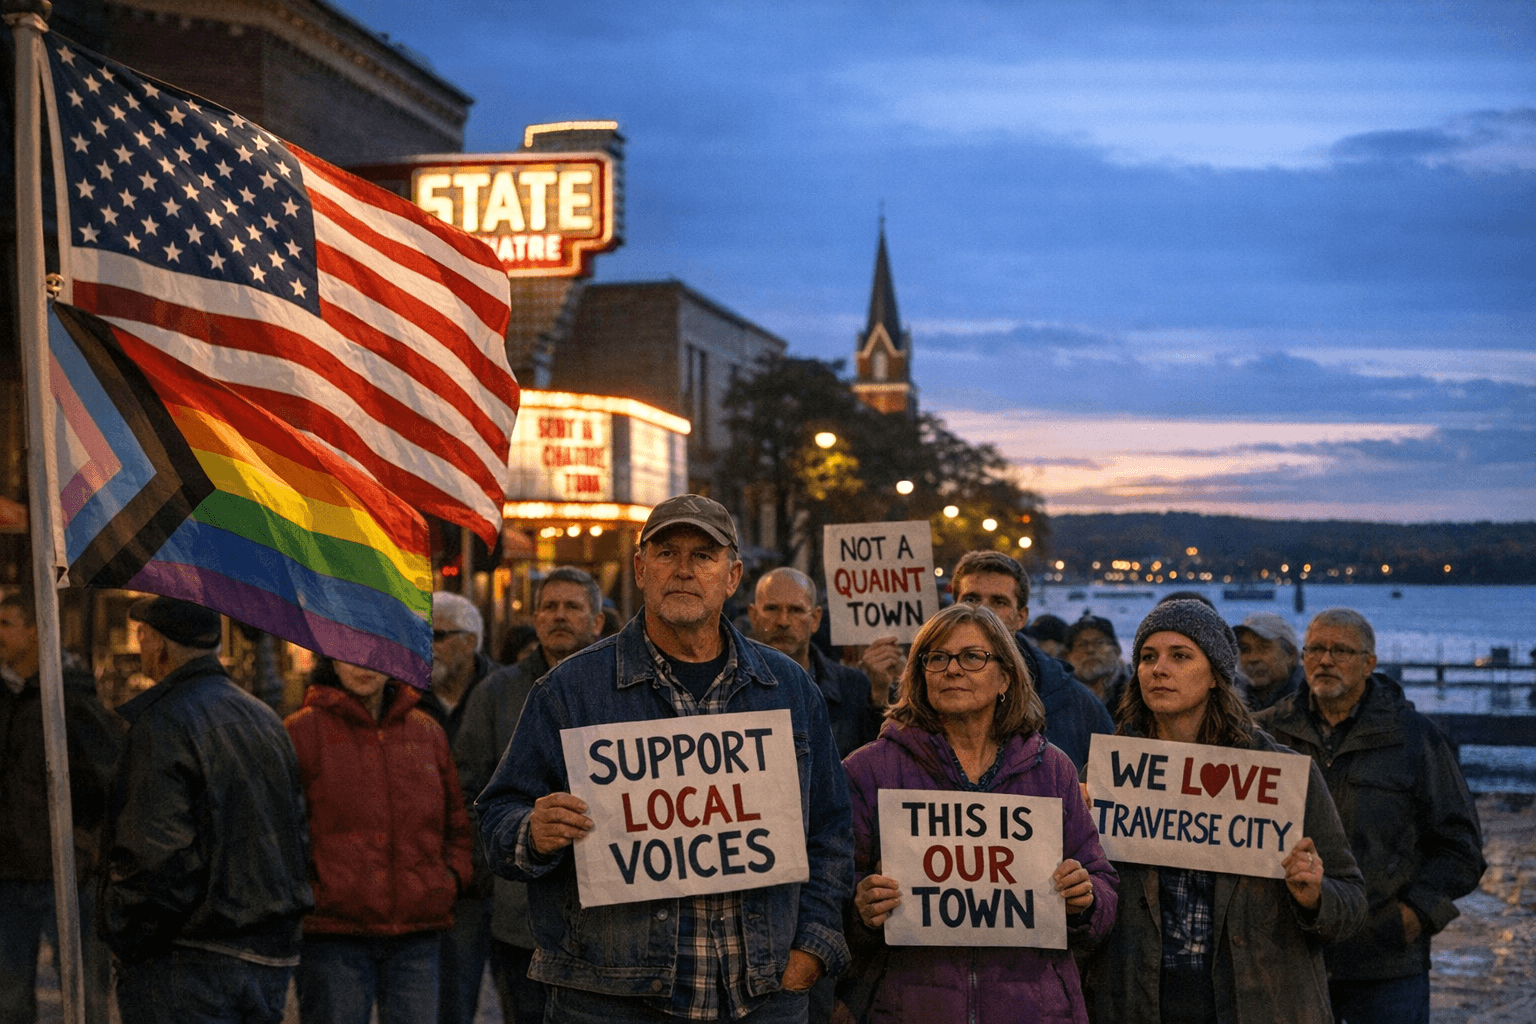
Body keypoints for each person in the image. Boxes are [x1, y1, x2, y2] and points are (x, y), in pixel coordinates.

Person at [477, 493, 853, 1023]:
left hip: (760, 997)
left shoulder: (788, 688)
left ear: (733, 576)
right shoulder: (568, 690)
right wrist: (533, 832)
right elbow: (497, 819)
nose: (683, 569)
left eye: (703, 555)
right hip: (611, 1000)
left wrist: (811, 949)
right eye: (666, 553)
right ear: (640, 568)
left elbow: (831, 832)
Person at [1084, 599, 1366, 1024]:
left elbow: (1351, 901)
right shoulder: (1105, 773)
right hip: (1136, 1002)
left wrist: (1314, 897)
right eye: (1147, 657)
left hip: (1254, 1002)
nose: (1158, 669)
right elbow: (1079, 912)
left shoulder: (1280, 775)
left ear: (1216, 675)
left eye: (1180, 656)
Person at [845, 603, 1118, 1024]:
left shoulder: (1053, 769)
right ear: (920, 675)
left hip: (1035, 1009)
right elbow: (833, 895)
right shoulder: (868, 770)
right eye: (937, 658)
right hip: (910, 1006)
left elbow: (1102, 887)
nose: (953, 669)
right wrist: (860, 909)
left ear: (1005, 676)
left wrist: (1085, 899)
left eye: (972, 657)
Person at [1254, 608, 1485, 1024]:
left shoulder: (1415, 737)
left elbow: (1461, 848)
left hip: (1386, 962)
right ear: (1302, 657)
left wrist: (1415, 915)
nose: (1325, 661)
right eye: (1316, 649)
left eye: (1341, 650)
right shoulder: (1265, 734)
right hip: (1289, 953)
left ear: (1369, 663)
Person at [100, 597, 313, 1024]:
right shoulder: (264, 719)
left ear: (158, 646)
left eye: (142, 637)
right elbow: (296, 830)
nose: (140, 647)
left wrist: (124, 933)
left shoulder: (164, 723)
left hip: (191, 956)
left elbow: (156, 858)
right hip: (265, 950)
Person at [455, 566, 607, 1023]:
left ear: (597, 621)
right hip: (522, 923)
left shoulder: (625, 690)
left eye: (572, 607)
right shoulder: (496, 693)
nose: (559, 616)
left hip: (610, 922)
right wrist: (504, 858)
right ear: (535, 617)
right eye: (549, 606)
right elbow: (470, 794)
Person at [285, 658, 474, 1024]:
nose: (362, 663)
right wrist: (310, 892)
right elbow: (282, 830)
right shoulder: (302, 732)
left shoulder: (426, 732)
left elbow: (456, 823)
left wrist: (448, 880)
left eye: (375, 649)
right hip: (333, 932)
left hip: (417, 932)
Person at [0, 592, 122, 1024]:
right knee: (10, 999)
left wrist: (87, 845)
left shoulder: (69, 696)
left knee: (84, 996)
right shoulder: (6, 696)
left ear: (35, 631)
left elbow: (107, 779)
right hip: (10, 874)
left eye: (6, 623)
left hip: (66, 873)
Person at [949, 551, 1113, 769]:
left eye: (999, 602)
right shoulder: (923, 693)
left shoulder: (1079, 706)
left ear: (1021, 617)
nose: (983, 610)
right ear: (952, 609)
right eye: (971, 599)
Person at [426, 592, 500, 1024]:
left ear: (470, 642)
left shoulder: (508, 693)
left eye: (437, 635)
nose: (427, 646)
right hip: (442, 878)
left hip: (502, 878)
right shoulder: (407, 699)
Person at [748, 567, 886, 757]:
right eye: (772, 609)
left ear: (815, 619)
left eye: (796, 610)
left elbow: (875, 765)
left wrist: (881, 697)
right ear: (754, 616)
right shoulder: (727, 688)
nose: (783, 621)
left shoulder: (853, 687)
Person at [1233, 612, 1304, 712]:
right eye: (1245, 649)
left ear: (1290, 655)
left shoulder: (1312, 702)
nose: (1253, 658)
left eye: (1263, 648)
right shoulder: (1231, 702)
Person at [1065, 615, 1131, 712]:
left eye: (1098, 642)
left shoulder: (1137, 692)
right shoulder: (1060, 698)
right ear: (1068, 656)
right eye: (1081, 645)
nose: (1090, 650)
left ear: (1116, 650)